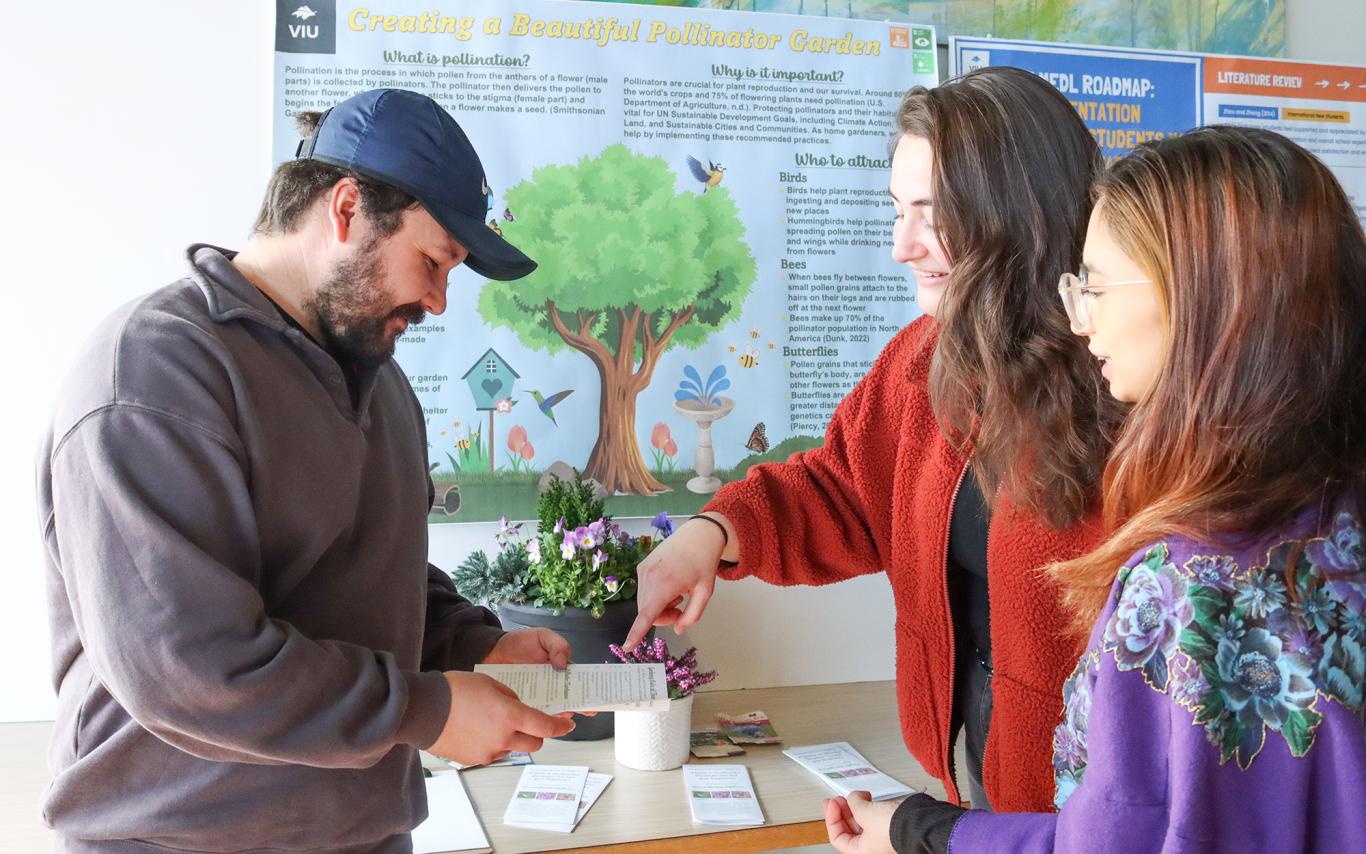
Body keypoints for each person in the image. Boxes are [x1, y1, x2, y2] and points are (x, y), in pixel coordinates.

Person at [37, 89, 578, 852]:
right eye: (432, 261)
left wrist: (470, 644)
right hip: (174, 841)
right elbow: (190, 666)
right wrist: (425, 712)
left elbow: (374, 575)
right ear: (347, 209)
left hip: (364, 832)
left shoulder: (381, 382)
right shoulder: (154, 372)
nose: (439, 300)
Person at [826, 126, 1366, 852]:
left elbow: (1117, 840)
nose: (1081, 321)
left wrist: (920, 833)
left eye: (1097, 286)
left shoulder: (1189, 585)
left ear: (1205, 300)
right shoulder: (1334, 514)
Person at [627, 64, 1121, 822]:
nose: (903, 246)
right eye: (897, 211)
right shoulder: (921, 361)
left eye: (930, 213)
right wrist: (716, 529)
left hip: (1099, 799)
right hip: (971, 775)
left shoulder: (1122, 377)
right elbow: (845, 487)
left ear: (1014, 211)